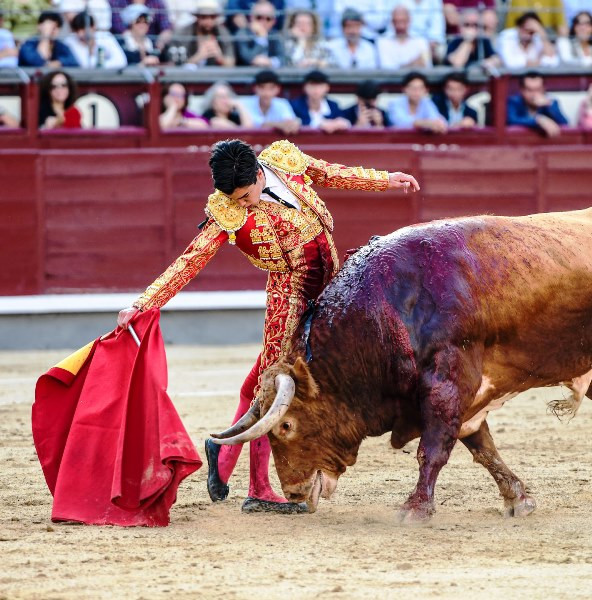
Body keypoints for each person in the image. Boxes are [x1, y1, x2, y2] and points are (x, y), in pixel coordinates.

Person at [116, 138, 419, 513]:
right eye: (237, 199)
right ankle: (259, 489)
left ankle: (222, 452)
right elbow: (189, 261)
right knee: (273, 389)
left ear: (259, 174)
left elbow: (330, 173)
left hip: (330, 285)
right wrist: (143, 303)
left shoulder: (283, 161)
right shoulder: (227, 212)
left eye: (246, 195)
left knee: (278, 377)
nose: (244, 204)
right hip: (288, 297)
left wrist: (385, 180)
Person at [165, 0, 235, 67]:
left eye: (212, 17)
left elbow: (231, 64)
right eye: (204, 17)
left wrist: (219, 57)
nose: (208, 21)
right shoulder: (182, 34)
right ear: (197, 17)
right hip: (190, 77)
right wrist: (198, 57)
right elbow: (175, 65)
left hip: (216, 76)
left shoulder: (222, 33)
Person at [506, 70, 568, 137]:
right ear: (521, 90)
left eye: (538, 89)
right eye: (529, 90)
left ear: (544, 89)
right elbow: (511, 120)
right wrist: (538, 120)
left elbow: (564, 124)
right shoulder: (513, 102)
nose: (534, 94)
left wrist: (549, 106)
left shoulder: (551, 102)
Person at [239, 69, 300, 133]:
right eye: (262, 87)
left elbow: (289, 121)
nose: (266, 93)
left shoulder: (282, 103)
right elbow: (254, 125)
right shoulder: (244, 103)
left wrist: (294, 123)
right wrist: (279, 125)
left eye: (271, 88)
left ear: (278, 89)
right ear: (255, 88)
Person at [63, 11, 128, 68]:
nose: (80, 34)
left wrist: (100, 66)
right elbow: (84, 65)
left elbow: (121, 61)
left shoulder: (105, 37)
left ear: (93, 27)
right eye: (77, 31)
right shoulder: (70, 41)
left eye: (83, 29)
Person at [233, 0, 282, 67]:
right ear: (251, 17)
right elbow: (248, 59)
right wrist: (261, 39)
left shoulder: (275, 34)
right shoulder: (242, 34)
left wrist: (270, 62)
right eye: (259, 17)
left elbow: (284, 58)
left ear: (274, 21)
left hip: (272, 75)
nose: (263, 22)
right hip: (246, 76)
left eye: (268, 18)